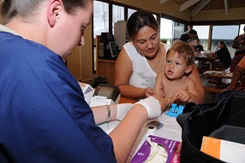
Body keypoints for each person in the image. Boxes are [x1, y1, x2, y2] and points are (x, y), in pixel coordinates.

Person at [0, 1, 175, 162]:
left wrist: (113, 111)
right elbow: (105, 157)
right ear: (55, 11)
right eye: (83, 27)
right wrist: (142, 109)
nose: (82, 41)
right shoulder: (41, 71)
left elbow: (66, 117)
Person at [114, 10, 204, 101]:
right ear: (132, 41)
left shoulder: (176, 54)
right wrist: (142, 92)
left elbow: (200, 97)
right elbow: (120, 86)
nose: (150, 46)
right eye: (142, 42)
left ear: (158, 31)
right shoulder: (129, 51)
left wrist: (188, 96)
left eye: (153, 37)